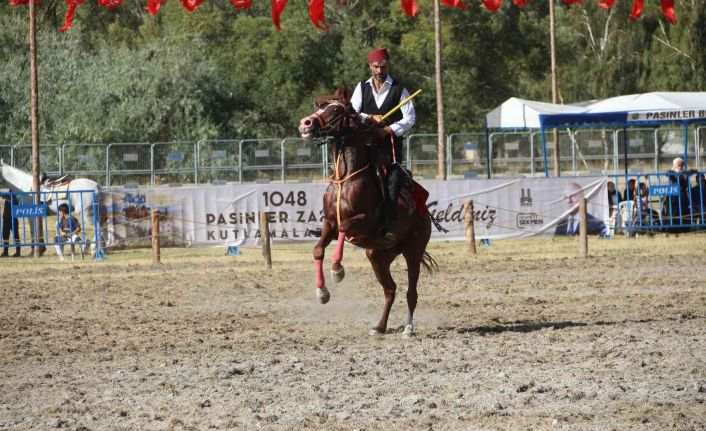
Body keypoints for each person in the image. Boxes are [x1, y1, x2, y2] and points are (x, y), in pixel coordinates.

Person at [350, 47, 416, 240]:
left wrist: (387, 130)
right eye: (376, 67)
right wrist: (370, 117)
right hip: (364, 147)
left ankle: (388, 224)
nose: (380, 71)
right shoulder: (361, 87)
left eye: (383, 66)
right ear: (370, 66)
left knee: (393, 181)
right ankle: (334, 221)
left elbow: (410, 118)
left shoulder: (400, 89)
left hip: (390, 149)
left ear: (388, 65)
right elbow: (353, 113)